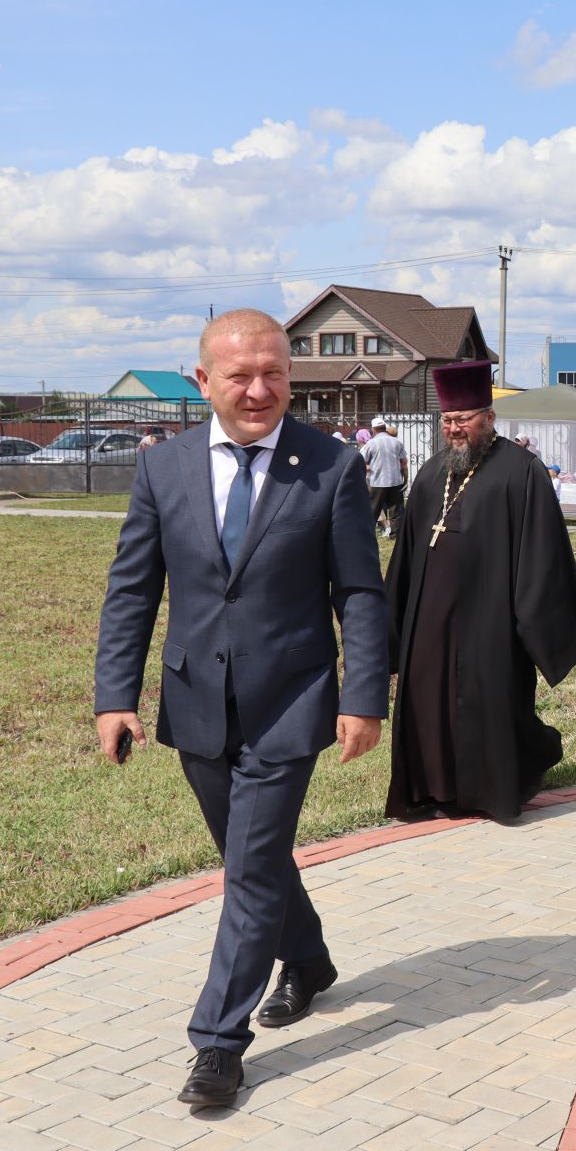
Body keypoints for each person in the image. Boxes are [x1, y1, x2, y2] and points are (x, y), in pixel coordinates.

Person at [93, 308, 387, 1108]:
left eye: (276, 375)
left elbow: (359, 591)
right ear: (203, 381)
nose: (260, 391)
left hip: (292, 702)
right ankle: (311, 958)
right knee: (252, 859)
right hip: (196, 704)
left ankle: (218, 1043)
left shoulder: (331, 467)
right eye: (241, 376)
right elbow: (132, 589)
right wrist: (115, 695)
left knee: (250, 868)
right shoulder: (164, 469)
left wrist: (365, 696)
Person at [383, 361, 576, 822]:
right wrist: (393, 624)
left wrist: (531, 623)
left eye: (464, 419)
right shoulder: (431, 473)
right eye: (447, 421)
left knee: (488, 702)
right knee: (425, 698)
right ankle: (431, 789)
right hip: (429, 619)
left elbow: (542, 554)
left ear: (489, 417)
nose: (454, 429)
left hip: (490, 618)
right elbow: (408, 553)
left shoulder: (522, 471)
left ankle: (490, 791)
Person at [359, 417, 408, 540]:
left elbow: (360, 462)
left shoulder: (370, 444)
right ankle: (396, 536)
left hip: (377, 482)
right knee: (396, 511)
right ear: (384, 428)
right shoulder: (397, 442)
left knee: (372, 511)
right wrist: (405, 479)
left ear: (373, 429)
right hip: (395, 481)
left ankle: (368, 536)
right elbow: (404, 463)